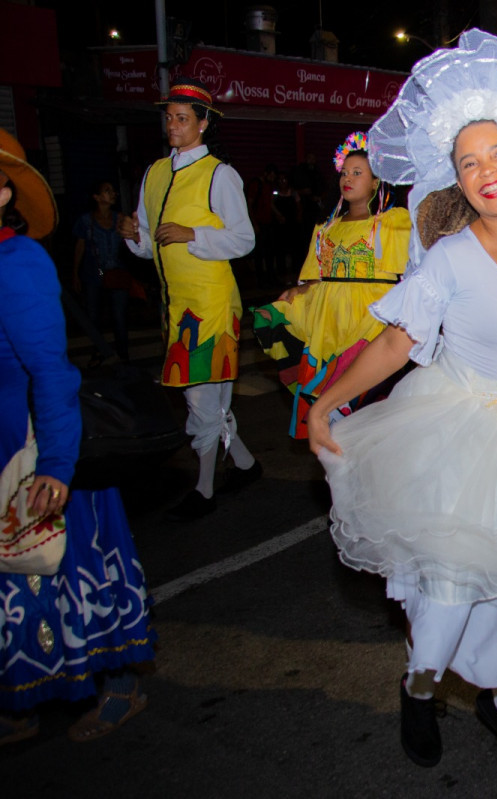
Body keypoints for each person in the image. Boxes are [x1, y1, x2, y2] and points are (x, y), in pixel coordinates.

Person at [306, 30, 497, 778]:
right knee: (449, 591)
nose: (487, 172)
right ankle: (419, 687)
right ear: (456, 179)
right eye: (469, 162)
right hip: (454, 430)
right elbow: (391, 345)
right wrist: (324, 404)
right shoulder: (449, 257)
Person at [1, 128, 155, 746]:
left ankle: (120, 686)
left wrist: (57, 465)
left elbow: (51, 371)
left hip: (39, 451)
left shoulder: (17, 263)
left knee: (67, 579)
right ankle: (20, 700)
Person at [118, 78, 261, 520]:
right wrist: (132, 236)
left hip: (210, 304)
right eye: (169, 117)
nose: (173, 125)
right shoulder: (155, 172)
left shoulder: (220, 173)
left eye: (182, 118)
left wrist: (191, 234)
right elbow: (149, 243)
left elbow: (244, 239)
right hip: (174, 303)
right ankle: (245, 464)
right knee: (210, 397)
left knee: (199, 399)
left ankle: (203, 490)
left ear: (203, 124)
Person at [252, 131, 412, 438]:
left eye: (357, 173)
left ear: (376, 181)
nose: (347, 179)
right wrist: (298, 291)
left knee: (365, 413)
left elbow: (411, 274)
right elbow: (314, 278)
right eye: (344, 173)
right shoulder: (326, 228)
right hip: (328, 323)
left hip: (370, 324)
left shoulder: (393, 222)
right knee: (333, 416)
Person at [71, 180, 132, 363]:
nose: (113, 194)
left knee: (120, 317)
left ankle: (123, 357)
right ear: (97, 198)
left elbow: (130, 244)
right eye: (107, 191)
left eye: (113, 191)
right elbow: (79, 247)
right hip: (94, 275)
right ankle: (100, 352)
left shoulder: (120, 218)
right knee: (93, 317)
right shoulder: (86, 221)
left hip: (117, 273)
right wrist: (75, 273)